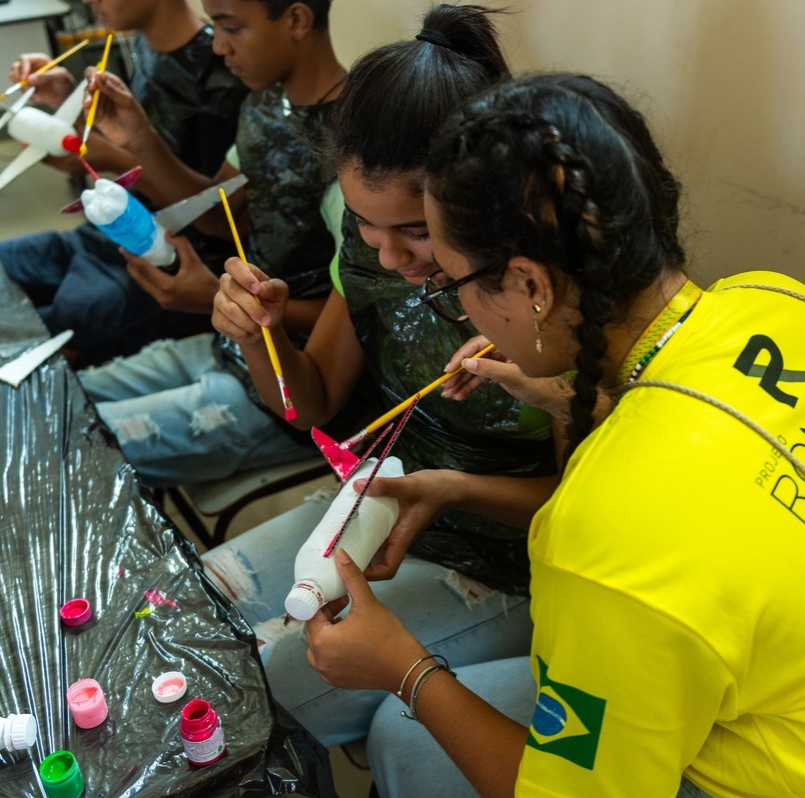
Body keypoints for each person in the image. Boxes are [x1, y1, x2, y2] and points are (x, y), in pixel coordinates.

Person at [302, 73, 805, 798]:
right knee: (407, 740)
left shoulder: (605, 533)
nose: (467, 316)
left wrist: (402, 667)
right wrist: (540, 414)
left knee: (407, 720)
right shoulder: (779, 302)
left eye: (453, 284)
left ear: (530, 285)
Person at [201, 5, 559, 750]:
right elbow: (314, 403)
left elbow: (576, 517)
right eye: (365, 225)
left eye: (416, 231)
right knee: (198, 610)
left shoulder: (543, 298)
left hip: (500, 563)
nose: (388, 254)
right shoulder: (371, 249)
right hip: (380, 510)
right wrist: (262, 335)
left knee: (267, 690)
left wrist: (449, 490)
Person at [67, 0, 347, 485]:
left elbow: (358, 317)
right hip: (230, 344)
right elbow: (221, 216)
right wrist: (141, 140)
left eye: (232, 28)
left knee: (73, 451)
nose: (217, 46)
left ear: (297, 20)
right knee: (60, 403)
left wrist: (226, 302)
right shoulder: (265, 105)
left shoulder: (352, 148)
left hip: (290, 385)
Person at [0, 0, 249, 368]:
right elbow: (137, 139)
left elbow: (215, 216)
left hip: (168, 260)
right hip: (107, 236)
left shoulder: (226, 73)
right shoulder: (144, 45)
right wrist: (69, 98)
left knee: (21, 344)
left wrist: (113, 160)